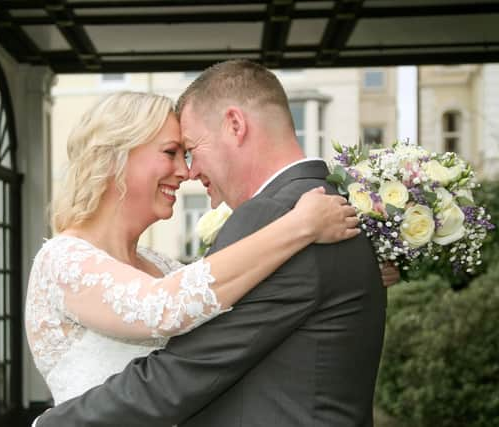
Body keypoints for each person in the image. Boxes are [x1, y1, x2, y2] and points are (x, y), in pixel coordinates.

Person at [35, 61, 390, 427]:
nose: (187, 171)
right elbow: (169, 306)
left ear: (235, 125)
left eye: (187, 149)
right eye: (171, 153)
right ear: (117, 159)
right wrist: (301, 227)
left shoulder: (270, 214)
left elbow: (187, 367)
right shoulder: (308, 210)